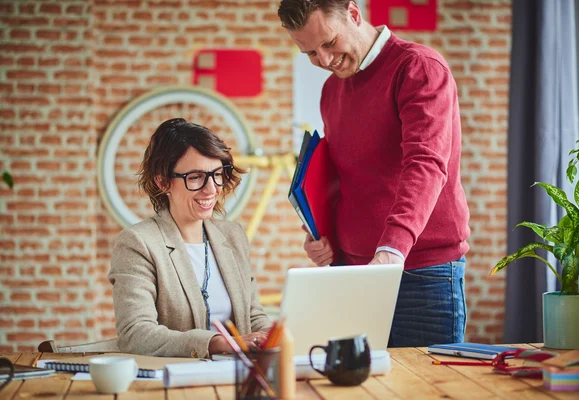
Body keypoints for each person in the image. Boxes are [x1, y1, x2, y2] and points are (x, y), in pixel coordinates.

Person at [278, 0, 470, 347]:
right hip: (350, 273)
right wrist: (321, 234)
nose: (323, 60)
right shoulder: (331, 90)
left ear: (353, 14)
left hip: (421, 274)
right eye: (309, 53)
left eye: (329, 42)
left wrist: (391, 250)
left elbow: (426, 164)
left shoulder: (418, 68)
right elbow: (340, 178)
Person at [109, 118, 272, 358]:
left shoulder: (233, 236)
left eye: (217, 174)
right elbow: (136, 333)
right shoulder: (138, 243)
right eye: (196, 177)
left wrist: (273, 335)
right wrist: (219, 343)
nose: (211, 189)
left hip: (238, 375)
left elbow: (253, 316)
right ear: (163, 182)